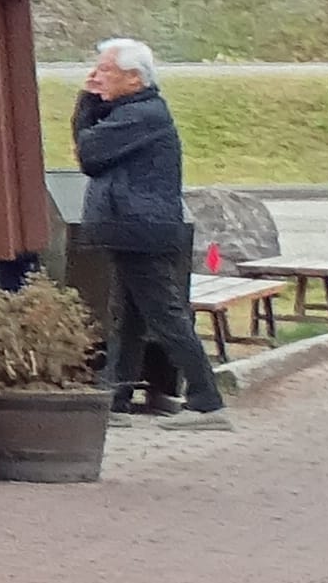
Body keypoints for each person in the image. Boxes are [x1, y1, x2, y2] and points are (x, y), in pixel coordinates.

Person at [73, 38, 222, 424]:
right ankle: (115, 397)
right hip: (131, 228)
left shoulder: (143, 115)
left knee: (166, 316)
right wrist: (91, 101)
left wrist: (87, 104)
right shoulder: (129, 112)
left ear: (135, 79)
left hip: (141, 228)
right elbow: (91, 146)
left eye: (106, 70)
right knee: (130, 317)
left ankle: (207, 400)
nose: (96, 76)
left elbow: (89, 155)